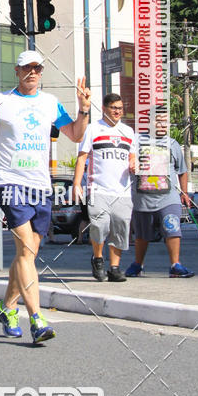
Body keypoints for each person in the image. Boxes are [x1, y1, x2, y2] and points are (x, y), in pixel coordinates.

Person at [0, 50, 91, 345]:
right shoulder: (1, 102)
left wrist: (84, 110)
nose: (32, 72)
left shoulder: (50, 103)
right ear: (17, 71)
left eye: (37, 68)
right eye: (26, 68)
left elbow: (74, 134)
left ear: (41, 72)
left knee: (29, 253)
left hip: (40, 186)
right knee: (25, 248)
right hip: (9, 182)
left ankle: (6, 307)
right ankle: (36, 318)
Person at [73, 93, 136, 282]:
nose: (117, 112)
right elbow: (82, 156)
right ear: (105, 108)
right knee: (100, 226)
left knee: (120, 227)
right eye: (113, 108)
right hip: (98, 189)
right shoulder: (93, 129)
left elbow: (133, 156)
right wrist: (77, 183)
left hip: (123, 191)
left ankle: (114, 267)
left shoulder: (128, 132)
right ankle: (98, 259)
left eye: (120, 108)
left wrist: (134, 164)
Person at [126, 115, 195, 278]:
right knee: (142, 235)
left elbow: (182, 171)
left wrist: (184, 193)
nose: (162, 124)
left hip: (168, 198)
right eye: (158, 121)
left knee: (172, 230)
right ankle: (138, 265)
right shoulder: (136, 141)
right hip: (142, 198)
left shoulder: (173, 144)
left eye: (165, 121)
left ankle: (175, 265)